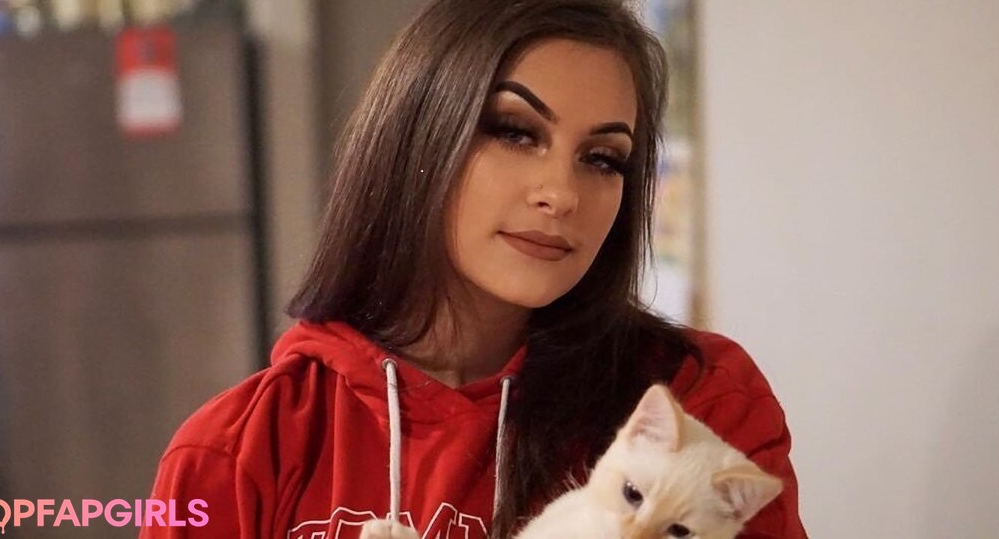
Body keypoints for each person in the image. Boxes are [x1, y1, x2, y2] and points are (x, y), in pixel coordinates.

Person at [140, 0, 807, 537]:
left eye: (603, 158)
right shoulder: (234, 452)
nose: (561, 193)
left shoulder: (701, 403)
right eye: (515, 131)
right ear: (415, 138)